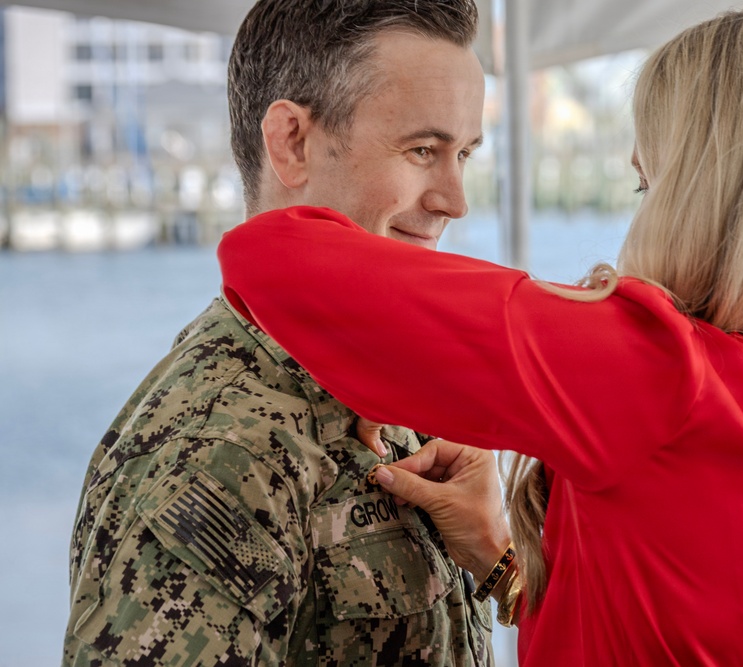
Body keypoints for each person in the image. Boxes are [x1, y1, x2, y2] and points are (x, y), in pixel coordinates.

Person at [217, 3, 743, 665]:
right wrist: (502, 563)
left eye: (648, 179)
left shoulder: (661, 376)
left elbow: (272, 255)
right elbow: (697, 619)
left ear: (709, 192)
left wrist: (578, 313)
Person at [62, 0, 493, 665]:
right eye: (423, 150)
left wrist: (500, 562)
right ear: (291, 142)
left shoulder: (388, 394)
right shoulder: (210, 455)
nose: (455, 199)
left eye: (463, 153)